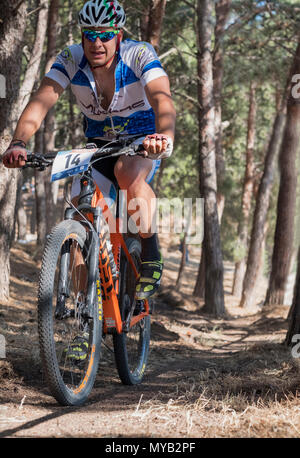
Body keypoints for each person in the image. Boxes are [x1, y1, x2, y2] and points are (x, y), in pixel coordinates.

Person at [2, 0, 176, 301]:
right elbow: (42, 101)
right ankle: (85, 317)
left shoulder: (139, 53)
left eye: (105, 35)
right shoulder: (71, 57)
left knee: (128, 174)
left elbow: (163, 99)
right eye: (90, 35)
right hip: (98, 146)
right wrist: (19, 142)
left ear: (118, 35)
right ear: (82, 36)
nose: (97, 42)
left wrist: (163, 137)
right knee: (78, 207)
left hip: (141, 140)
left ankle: (151, 251)